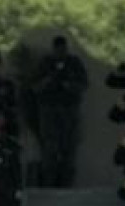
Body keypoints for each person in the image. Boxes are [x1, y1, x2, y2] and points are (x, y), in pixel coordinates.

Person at [32, 35, 88, 187]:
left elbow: (83, 85)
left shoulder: (74, 63)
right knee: (50, 147)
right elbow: (35, 86)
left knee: (69, 147)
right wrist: (49, 80)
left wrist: (68, 84)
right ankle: (49, 181)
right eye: (58, 49)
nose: (60, 52)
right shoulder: (45, 63)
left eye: (63, 49)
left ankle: (66, 183)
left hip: (69, 109)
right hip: (49, 109)